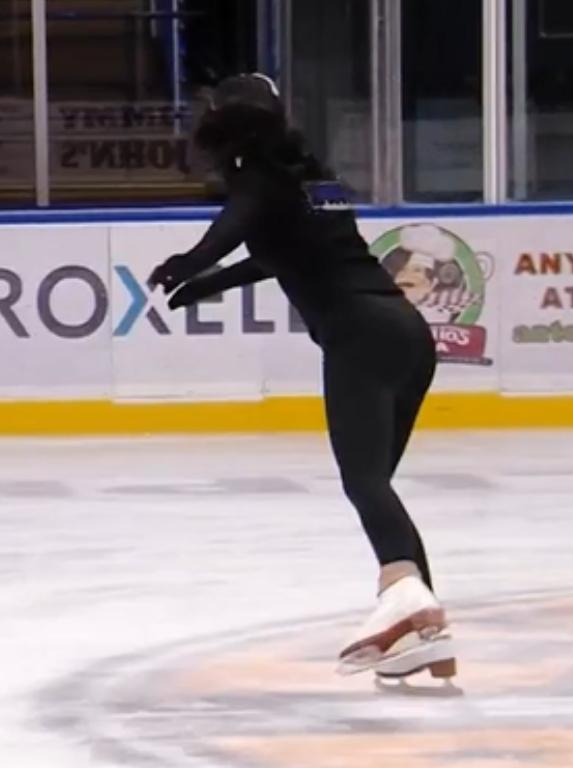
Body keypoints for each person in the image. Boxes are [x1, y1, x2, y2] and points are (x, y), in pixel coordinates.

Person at [147, 73, 455, 681]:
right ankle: (423, 633)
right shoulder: (312, 179)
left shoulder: (256, 180)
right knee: (374, 488)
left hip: (359, 338)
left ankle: (411, 605)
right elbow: (281, 251)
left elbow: (233, 228)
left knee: (366, 485)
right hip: (407, 334)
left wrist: (188, 264)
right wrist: (209, 284)